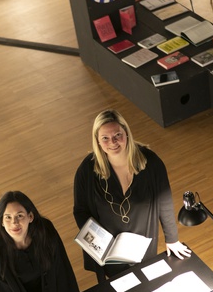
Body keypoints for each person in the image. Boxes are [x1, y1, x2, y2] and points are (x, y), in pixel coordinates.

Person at [73, 109, 190, 281]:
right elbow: (80, 210)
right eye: (105, 138)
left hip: (143, 247)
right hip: (109, 252)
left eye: (117, 135)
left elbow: (164, 202)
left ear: (126, 133)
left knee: (144, 281)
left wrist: (172, 238)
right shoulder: (87, 170)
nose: (112, 142)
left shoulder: (151, 163)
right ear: (97, 140)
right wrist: (97, 242)